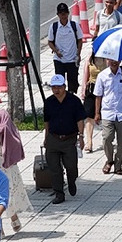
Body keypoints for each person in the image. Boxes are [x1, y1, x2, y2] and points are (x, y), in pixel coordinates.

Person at [42, 74, 86, 203]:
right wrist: (46, 137)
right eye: (54, 87)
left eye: (59, 87)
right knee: (54, 168)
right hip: (53, 138)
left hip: (69, 139)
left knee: (71, 166)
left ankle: (72, 181)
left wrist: (81, 136)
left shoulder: (74, 101)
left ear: (64, 87)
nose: (56, 90)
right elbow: (47, 121)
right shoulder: (49, 102)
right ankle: (59, 193)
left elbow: (80, 120)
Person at [93, 58, 122, 176]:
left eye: (116, 60)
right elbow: (98, 95)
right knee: (107, 138)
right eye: (111, 60)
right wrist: (97, 113)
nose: (114, 62)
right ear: (107, 61)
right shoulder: (102, 75)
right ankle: (109, 160)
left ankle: (118, 166)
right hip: (108, 113)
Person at [48, 2, 84, 93]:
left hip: (72, 59)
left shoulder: (74, 25)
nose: (63, 16)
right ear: (58, 15)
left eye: (65, 13)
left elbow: (80, 40)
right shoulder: (54, 27)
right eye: (61, 13)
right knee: (60, 82)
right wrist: (56, 51)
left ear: (68, 13)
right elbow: (50, 42)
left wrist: (78, 54)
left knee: (73, 83)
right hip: (59, 60)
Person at [79, 44, 105, 152]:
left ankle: (106, 140)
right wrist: (83, 89)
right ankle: (89, 142)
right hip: (92, 87)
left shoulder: (106, 58)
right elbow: (85, 75)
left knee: (104, 115)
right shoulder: (89, 58)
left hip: (104, 89)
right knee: (89, 115)